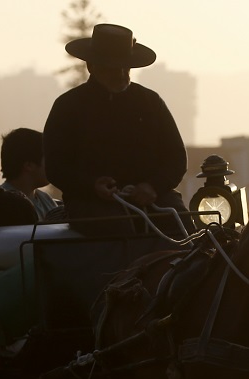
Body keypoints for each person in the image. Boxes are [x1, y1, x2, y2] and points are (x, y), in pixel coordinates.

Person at [44, 23, 192, 237]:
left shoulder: (151, 102)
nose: (122, 73)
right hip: (90, 203)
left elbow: (176, 157)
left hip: (155, 197)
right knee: (118, 232)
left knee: (186, 233)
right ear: (91, 66)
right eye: (112, 67)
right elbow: (56, 167)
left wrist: (153, 186)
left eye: (125, 67)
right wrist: (92, 186)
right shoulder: (67, 106)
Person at [0, 128, 63, 221]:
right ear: (29, 165)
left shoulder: (45, 199)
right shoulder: (3, 204)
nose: (53, 164)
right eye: (48, 158)